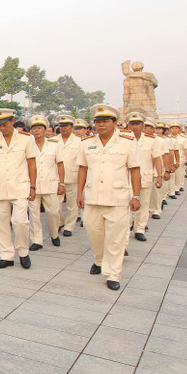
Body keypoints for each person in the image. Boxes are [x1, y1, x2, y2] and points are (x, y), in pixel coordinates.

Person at [77, 104, 140, 291]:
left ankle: (113, 274)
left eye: (105, 121)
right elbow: (82, 168)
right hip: (93, 196)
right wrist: (79, 192)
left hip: (117, 197)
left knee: (115, 238)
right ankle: (99, 259)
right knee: (92, 230)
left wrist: (136, 195)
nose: (101, 125)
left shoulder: (127, 142)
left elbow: (135, 169)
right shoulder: (87, 143)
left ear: (115, 122)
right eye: (98, 121)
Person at [0, 109, 37, 269]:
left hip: (20, 186)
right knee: (1, 224)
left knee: (20, 222)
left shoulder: (26, 139)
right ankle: (6, 256)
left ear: (13, 121)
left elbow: (31, 163)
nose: (2, 128)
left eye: (5, 124)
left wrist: (33, 186)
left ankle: (23, 252)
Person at [27, 115, 64, 250]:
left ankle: (54, 234)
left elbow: (60, 164)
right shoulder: (28, 145)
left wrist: (61, 183)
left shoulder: (54, 145)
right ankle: (37, 240)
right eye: (34, 128)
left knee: (53, 213)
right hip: (33, 185)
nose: (36, 130)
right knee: (34, 215)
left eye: (39, 128)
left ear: (45, 130)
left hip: (50, 184)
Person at [125, 112, 163, 242]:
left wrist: (159, 176)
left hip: (145, 176)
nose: (134, 127)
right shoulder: (124, 139)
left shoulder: (151, 140)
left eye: (137, 124)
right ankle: (127, 226)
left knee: (144, 204)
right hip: (127, 178)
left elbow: (157, 158)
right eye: (132, 124)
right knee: (126, 204)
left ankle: (139, 229)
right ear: (128, 125)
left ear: (143, 126)